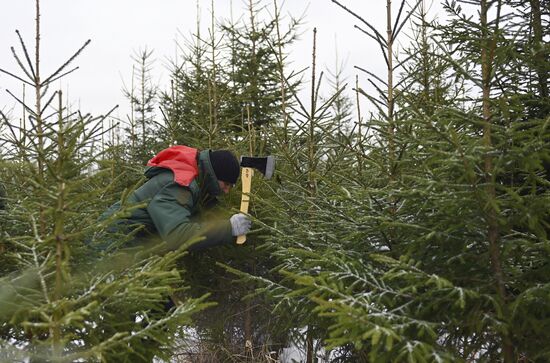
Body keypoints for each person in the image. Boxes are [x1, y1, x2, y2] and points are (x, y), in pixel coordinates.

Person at [99, 145, 251, 252]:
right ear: (214, 175)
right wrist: (228, 228)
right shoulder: (179, 184)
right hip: (107, 246)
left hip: (123, 245)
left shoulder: (194, 181)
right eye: (226, 184)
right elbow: (178, 235)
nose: (226, 191)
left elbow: (200, 213)